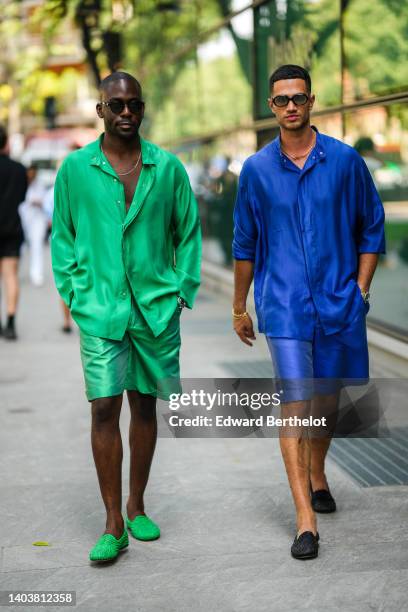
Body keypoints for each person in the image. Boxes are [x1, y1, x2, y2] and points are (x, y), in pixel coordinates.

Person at [232, 64, 385, 560]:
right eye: (282, 100)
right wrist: (239, 306)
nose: (291, 106)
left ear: (312, 100)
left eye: (299, 97)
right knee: (296, 404)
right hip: (284, 307)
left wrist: (360, 291)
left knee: (326, 401)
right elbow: (244, 244)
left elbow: (372, 227)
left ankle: (318, 473)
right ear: (271, 107)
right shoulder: (255, 170)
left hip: (339, 304)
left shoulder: (344, 162)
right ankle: (305, 519)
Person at [51, 71, 201, 563]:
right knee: (102, 407)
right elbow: (64, 237)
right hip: (100, 309)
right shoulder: (74, 169)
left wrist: (182, 289)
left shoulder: (167, 167)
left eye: (134, 105)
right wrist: (75, 294)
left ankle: (137, 504)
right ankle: (113, 522)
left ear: (142, 108)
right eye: (115, 105)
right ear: (100, 111)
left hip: (155, 309)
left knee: (144, 405)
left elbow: (188, 232)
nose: (125, 113)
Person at [0, 125, 28, 340]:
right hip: (12, 228)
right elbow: (22, 198)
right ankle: (10, 322)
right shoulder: (19, 169)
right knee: (10, 276)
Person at [19, 165, 48, 287]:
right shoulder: (21, 184)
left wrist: (38, 202)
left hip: (38, 219)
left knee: (37, 246)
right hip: (23, 219)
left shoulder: (40, 185)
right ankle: (15, 271)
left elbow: (47, 201)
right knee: (21, 247)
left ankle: (36, 273)